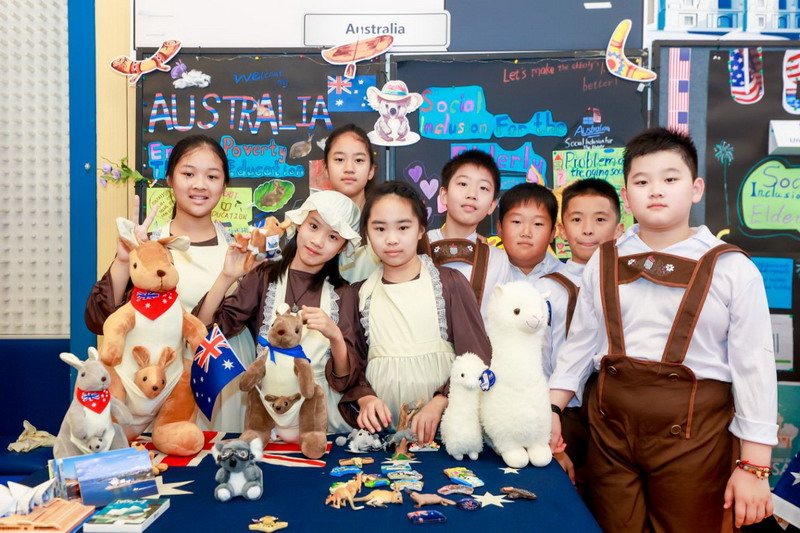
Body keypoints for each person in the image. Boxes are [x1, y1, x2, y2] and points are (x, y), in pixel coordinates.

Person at [549, 127, 778, 531]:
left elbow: (754, 367)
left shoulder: (732, 267)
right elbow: (580, 346)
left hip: (697, 439)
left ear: (696, 188)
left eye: (670, 179)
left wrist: (754, 467)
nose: (656, 190)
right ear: (627, 195)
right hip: (611, 434)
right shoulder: (603, 260)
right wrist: (551, 409)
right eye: (642, 182)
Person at [85, 134, 255, 432]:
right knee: (168, 447)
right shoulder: (148, 246)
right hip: (159, 377)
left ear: (224, 187)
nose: (199, 185)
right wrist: (124, 259)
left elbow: (214, 326)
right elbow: (102, 320)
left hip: (224, 374)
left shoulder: (241, 251)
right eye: (188, 174)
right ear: (170, 180)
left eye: (212, 176)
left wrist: (232, 275)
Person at [195, 190, 363, 434]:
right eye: (313, 226)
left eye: (333, 237)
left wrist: (335, 335)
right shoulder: (264, 277)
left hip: (319, 417)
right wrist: (227, 276)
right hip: (267, 414)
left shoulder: (343, 294)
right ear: (299, 224)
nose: (318, 241)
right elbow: (206, 331)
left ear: (342, 247)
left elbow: (343, 377)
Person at [342, 181, 492, 445]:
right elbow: (352, 364)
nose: (392, 239)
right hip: (382, 436)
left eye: (403, 227)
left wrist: (441, 401)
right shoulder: (358, 295)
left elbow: (477, 356)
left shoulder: (450, 283)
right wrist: (365, 398)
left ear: (421, 229)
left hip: (448, 432)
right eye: (379, 228)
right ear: (366, 233)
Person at [535, 178, 624, 487]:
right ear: (561, 230)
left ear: (619, 229)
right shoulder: (544, 289)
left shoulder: (628, 286)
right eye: (576, 220)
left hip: (615, 416)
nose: (588, 230)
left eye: (600, 220)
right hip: (563, 415)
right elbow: (538, 361)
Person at [425, 149, 511, 323]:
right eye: (463, 184)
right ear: (444, 195)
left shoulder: (498, 259)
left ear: (492, 206)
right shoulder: (417, 246)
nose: (472, 194)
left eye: (483, 188)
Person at [322, 123, 381, 283]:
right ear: (326, 168)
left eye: (359, 160)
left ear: (371, 171)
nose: (349, 168)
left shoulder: (383, 222)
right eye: (339, 159)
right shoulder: (312, 220)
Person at [495, 182, 564, 282]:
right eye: (517, 222)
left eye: (537, 224)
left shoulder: (568, 279)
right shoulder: (485, 274)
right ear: (500, 229)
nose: (526, 233)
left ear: (552, 233)